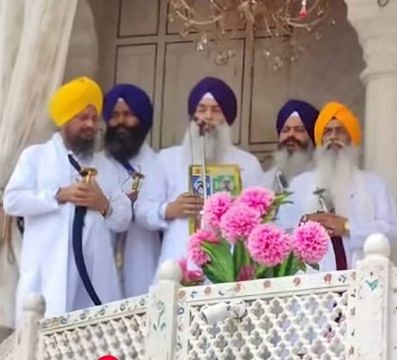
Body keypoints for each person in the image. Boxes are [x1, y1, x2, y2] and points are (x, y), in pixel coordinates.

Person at [3, 77, 130, 321]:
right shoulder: (36, 157)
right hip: (46, 279)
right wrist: (58, 195)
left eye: (94, 119)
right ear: (64, 120)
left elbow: (123, 219)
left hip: (93, 282)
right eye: (82, 118)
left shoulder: (108, 167)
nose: (90, 125)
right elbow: (12, 200)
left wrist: (103, 205)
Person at [139, 77, 263, 265]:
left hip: (230, 266)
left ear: (227, 119)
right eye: (201, 109)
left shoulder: (248, 163)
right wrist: (169, 209)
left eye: (216, 110)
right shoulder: (167, 159)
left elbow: (264, 216)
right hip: (178, 261)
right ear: (192, 116)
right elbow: (142, 210)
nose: (207, 117)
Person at [276, 101, 397, 271]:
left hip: (362, 280)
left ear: (351, 139)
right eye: (327, 131)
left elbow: (393, 231)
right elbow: (280, 232)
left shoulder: (374, 185)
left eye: (340, 131)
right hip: (312, 285)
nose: (333, 137)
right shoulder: (299, 185)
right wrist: (304, 224)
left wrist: (349, 227)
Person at [100, 84, 162, 297]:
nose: (120, 122)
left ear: (143, 121)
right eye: (114, 115)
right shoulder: (96, 165)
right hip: (101, 254)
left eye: (128, 115)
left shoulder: (158, 164)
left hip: (142, 253)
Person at [262, 99, 319, 193]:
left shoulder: (321, 178)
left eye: (299, 130)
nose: (290, 135)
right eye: (286, 130)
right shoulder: (268, 179)